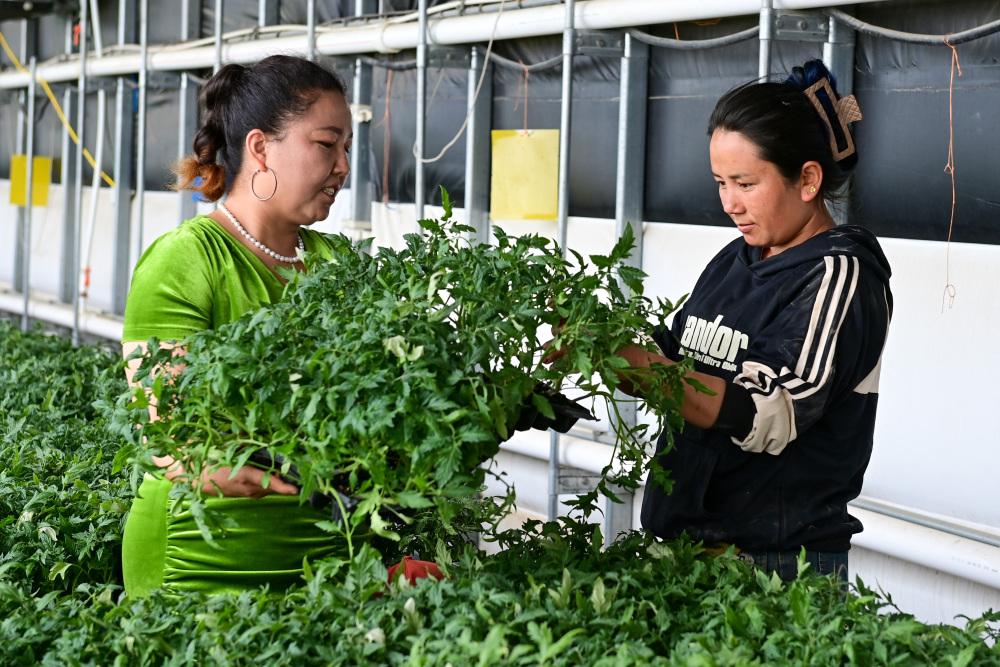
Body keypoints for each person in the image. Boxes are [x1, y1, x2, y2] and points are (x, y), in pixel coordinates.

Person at [617, 60, 891, 582]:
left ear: (808, 178)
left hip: (775, 564)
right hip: (686, 546)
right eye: (720, 181)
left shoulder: (839, 275)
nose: (728, 202)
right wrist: (602, 339)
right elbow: (679, 353)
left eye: (744, 182)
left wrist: (643, 367)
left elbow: (772, 412)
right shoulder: (738, 256)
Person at [120, 55, 355, 597]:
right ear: (260, 147)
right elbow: (170, 441)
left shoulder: (339, 265)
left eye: (347, 148)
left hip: (327, 564)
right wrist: (228, 463)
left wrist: (488, 396)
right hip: (200, 563)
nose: (343, 165)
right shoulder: (186, 260)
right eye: (327, 144)